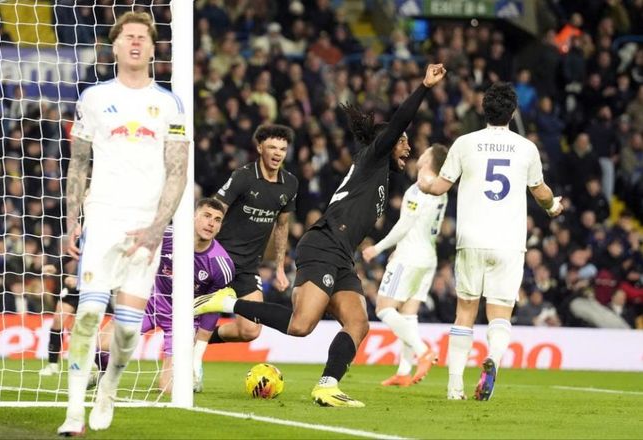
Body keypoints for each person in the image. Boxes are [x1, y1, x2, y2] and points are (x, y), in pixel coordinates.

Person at [196, 64, 447, 407]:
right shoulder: (372, 157)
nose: (407, 148)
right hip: (323, 245)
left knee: (358, 323)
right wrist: (424, 87)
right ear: (387, 142)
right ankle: (224, 303)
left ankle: (327, 386)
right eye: (402, 142)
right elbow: (399, 121)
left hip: (342, 256)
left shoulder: (380, 177)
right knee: (301, 326)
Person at [58, 11, 190, 435]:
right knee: (88, 314)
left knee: (129, 332)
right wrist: (72, 220)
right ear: (114, 46)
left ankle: (109, 387)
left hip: (145, 227)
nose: (135, 42)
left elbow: (178, 171)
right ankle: (73, 412)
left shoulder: (170, 104)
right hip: (103, 218)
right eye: (128, 36)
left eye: (142, 37)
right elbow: (78, 163)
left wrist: (157, 228)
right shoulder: (94, 98)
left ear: (153, 48)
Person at [417, 82, 563, 401]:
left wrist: (423, 181)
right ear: (513, 112)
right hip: (509, 241)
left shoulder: (464, 143)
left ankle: (455, 387)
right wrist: (553, 206)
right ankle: (493, 359)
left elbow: (439, 187)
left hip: (471, 239)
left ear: (483, 110)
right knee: (500, 312)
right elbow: (540, 192)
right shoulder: (526, 148)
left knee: (465, 310)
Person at [94, 198, 234, 394]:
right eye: (207, 216)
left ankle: (191, 373)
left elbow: (212, 310)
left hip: (184, 319)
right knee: (101, 345)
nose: (211, 223)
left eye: (217, 220)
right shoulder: (166, 236)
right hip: (151, 303)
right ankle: (103, 373)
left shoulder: (221, 265)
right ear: (193, 216)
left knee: (169, 389)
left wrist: (197, 355)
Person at [361, 144, 449, 387]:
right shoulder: (442, 189)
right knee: (408, 315)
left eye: (426, 152)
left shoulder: (420, 187)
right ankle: (403, 371)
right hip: (428, 257)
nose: (420, 154)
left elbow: (405, 225)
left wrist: (377, 248)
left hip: (410, 257)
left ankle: (423, 351)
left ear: (429, 160)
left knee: (383, 308)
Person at [206, 124, 298, 345]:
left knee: (250, 330)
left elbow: (282, 226)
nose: (277, 153)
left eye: (282, 149)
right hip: (219, 260)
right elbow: (214, 210)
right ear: (259, 148)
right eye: (272, 147)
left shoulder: (290, 184)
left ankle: (198, 341)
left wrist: (279, 268)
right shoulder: (243, 177)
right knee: (196, 315)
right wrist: (200, 249)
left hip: (247, 268)